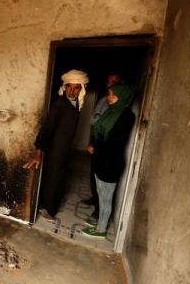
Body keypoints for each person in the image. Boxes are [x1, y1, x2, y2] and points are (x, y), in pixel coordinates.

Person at [23, 69, 89, 221]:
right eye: (69, 87)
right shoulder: (60, 104)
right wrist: (38, 153)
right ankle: (47, 209)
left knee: (58, 178)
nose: (72, 91)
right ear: (64, 87)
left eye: (76, 87)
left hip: (64, 150)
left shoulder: (77, 104)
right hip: (54, 151)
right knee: (52, 179)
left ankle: (49, 206)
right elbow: (46, 129)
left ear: (82, 89)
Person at [82, 83, 135, 238]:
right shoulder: (110, 111)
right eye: (109, 94)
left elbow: (116, 142)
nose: (109, 97)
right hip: (101, 159)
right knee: (99, 192)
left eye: (113, 94)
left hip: (111, 162)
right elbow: (99, 132)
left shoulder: (126, 116)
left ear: (123, 96)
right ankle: (100, 221)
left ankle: (101, 230)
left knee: (106, 198)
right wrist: (94, 146)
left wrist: (97, 148)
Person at [82, 72, 122, 219]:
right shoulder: (104, 99)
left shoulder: (119, 109)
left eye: (114, 81)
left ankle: (100, 213)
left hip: (105, 146)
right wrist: (91, 141)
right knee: (93, 173)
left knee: (101, 178)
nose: (110, 84)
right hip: (97, 139)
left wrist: (98, 119)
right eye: (109, 81)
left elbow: (100, 121)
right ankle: (95, 199)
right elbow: (94, 119)